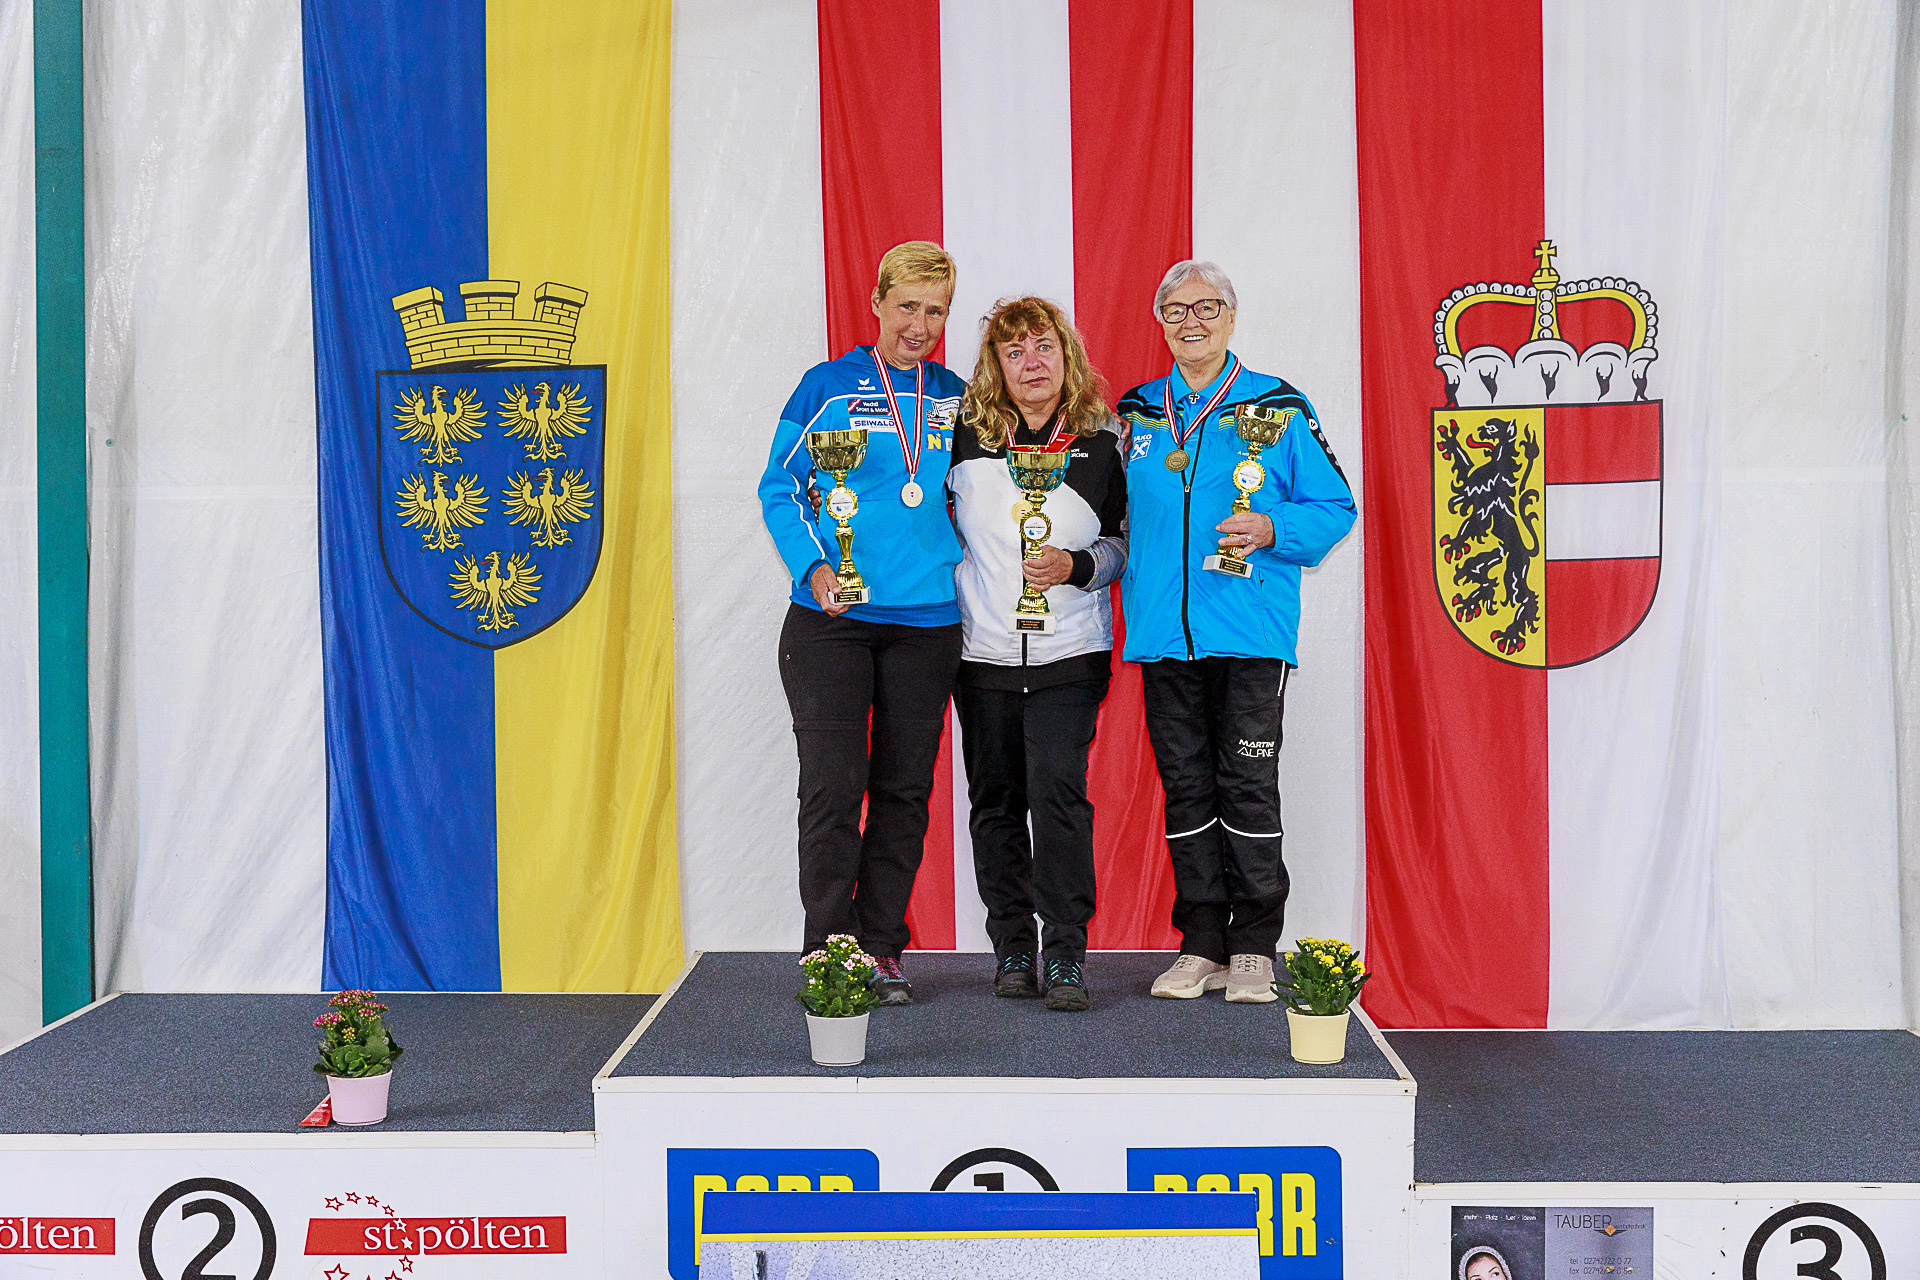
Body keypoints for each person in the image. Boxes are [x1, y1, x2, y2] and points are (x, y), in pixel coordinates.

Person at [1117, 260, 1356, 1003]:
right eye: (1176, 309)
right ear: (1159, 320)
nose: (1192, 321)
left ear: (1231, 315)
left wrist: (1272, 524)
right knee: (1186, 789)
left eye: (1207, 307)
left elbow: (1335, 505)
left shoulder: (1277, 405)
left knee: (1247, 787)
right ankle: (1201, 945)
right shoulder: (1135, 413)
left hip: (1249, 634)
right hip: (1163, 635)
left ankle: (1254, 946)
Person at [757, 241, 967, 1007]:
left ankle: (880, 948)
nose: (919, 324)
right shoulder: (827, 386)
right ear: (877, 302)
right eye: (907, 305)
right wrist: (815, 566)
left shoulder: (959, 396)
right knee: (834, 791)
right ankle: (829, 948)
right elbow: (779, 485)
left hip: (929, 623)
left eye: (935, 310)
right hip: (830, 621)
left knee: (905, 791)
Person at [947, 297, 1126, 1012]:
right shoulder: (962, 440)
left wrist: (1080, 568)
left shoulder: (1105, 439)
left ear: (1066, 355)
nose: (1031, 362)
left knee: (1057, 797)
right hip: (981, 653)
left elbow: (1124, 543)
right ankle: (1012, 945)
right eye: (1013, 349)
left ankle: (1066, 952)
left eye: (1043, 346)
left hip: (1070, 653)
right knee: (994, 802)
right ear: (994, 363)